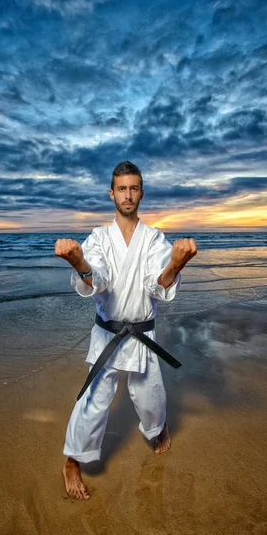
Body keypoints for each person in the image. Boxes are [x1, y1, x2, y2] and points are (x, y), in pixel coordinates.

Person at [55, 161, 197, 499]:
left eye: (133, 188)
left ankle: (156, 427)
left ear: (141, 193)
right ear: (112, 193)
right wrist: (79, 262)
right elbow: (99, 279)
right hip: (108, 335)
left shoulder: (153, 239)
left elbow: (155, 283)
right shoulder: (100, 238)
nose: (128, 194)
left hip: (143, 336)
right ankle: (72, 462)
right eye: (122, 188)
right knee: (94, 401)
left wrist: (176, 265)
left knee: (151, 397)